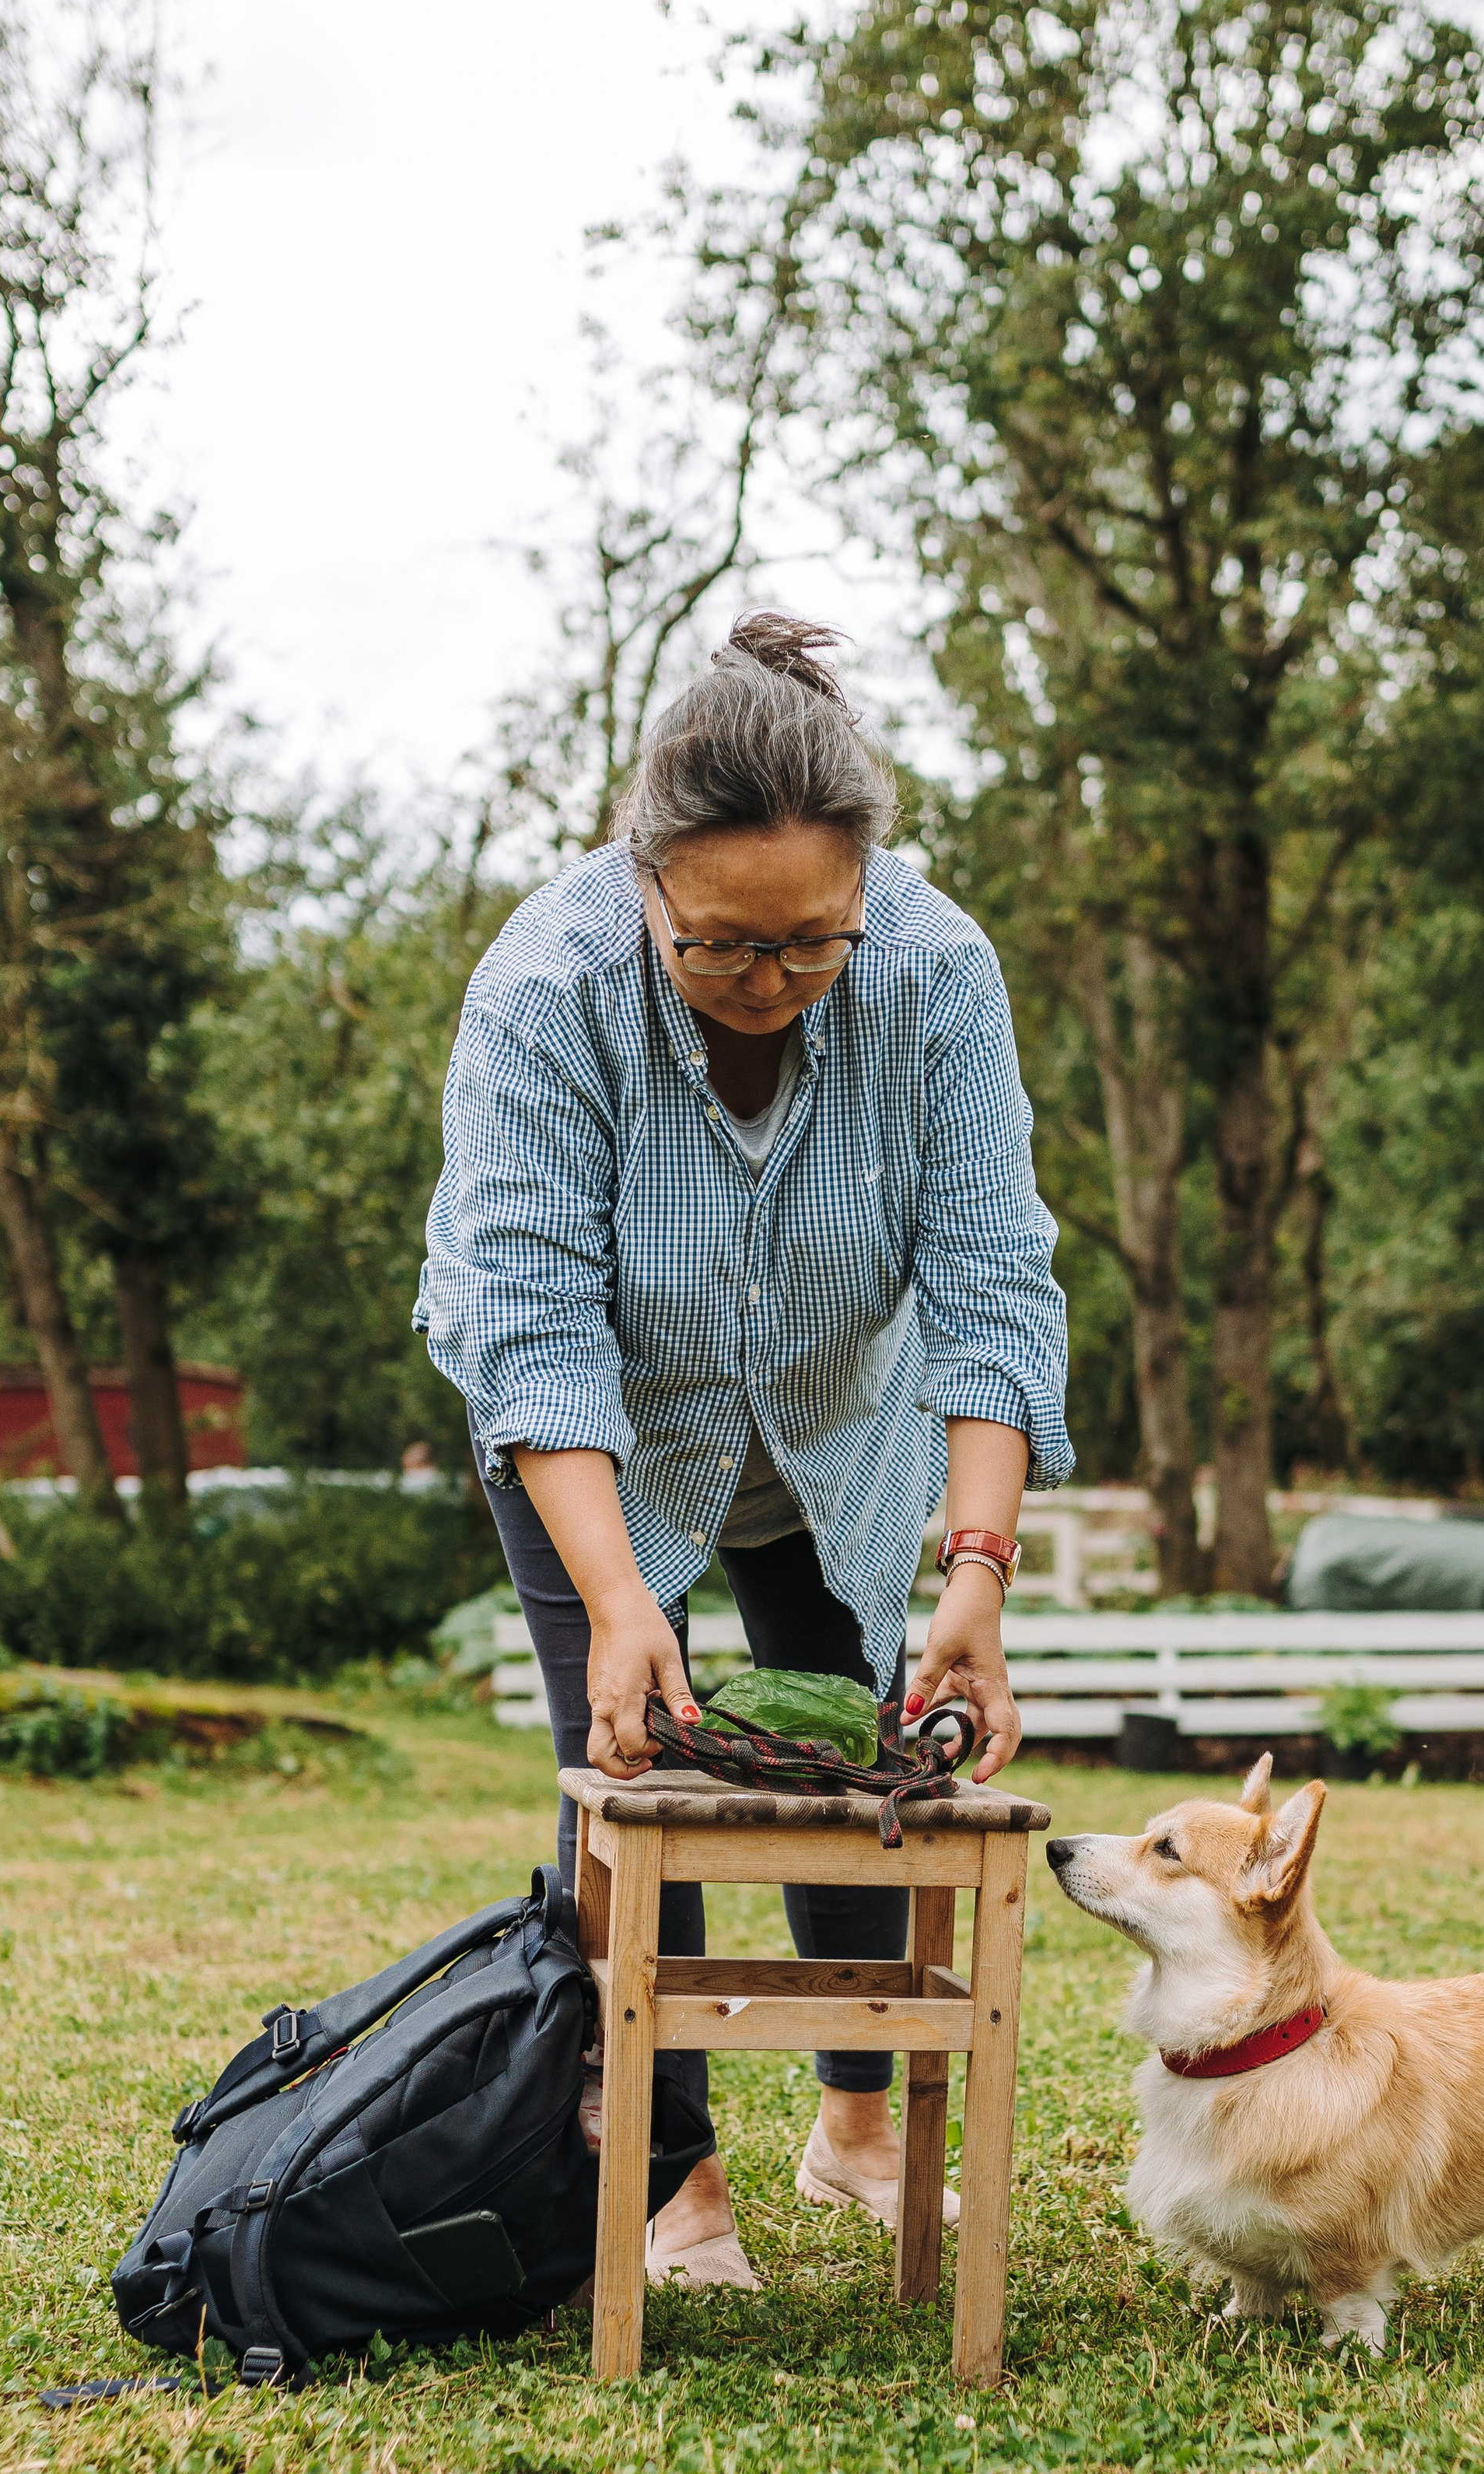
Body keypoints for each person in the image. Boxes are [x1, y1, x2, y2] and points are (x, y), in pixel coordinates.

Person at [417, 614, 1072, 2289]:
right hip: (595, 1439)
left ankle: (858, 2126)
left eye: (810, 944)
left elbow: (993, 1284)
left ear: (865, 888)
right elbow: (535, 1319)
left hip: (839, 1417)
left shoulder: (934, 973)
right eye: (720, 949)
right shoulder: (546, 984)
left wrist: (977, 1570)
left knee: (852, 1760)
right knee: (636, 1751)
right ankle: (672, 2166)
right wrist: (624, 1594)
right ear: (647, 885)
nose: (770, 982)